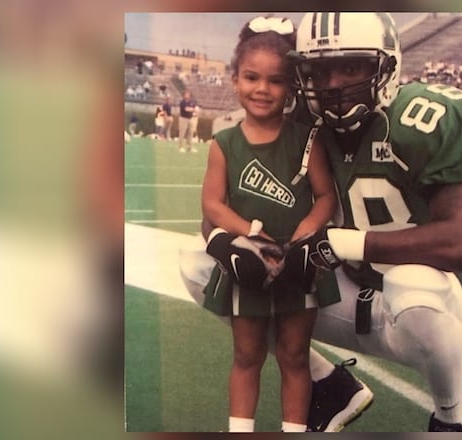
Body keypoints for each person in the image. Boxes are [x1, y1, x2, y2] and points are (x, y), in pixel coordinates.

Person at [180, 12, 462, 432]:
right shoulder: (302, 127)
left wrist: (339, 244)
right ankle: (328, 385)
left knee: (414, 286)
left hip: (433, 308)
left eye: (351, 68)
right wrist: (232, 244)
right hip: (345, 291)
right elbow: (217, 210)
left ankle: (451, 418)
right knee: (201, 264)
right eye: (321, 71)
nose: (333, 85)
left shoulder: (419, 118)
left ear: (386, 65)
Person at [199, 15, 338, 433]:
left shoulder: (306, 139)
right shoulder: (224, 143)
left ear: (291, 86)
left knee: (295, 356)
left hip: (298, 264)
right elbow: (211, 203)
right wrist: (250, 235)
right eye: (252, 77)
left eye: (276, 81)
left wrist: (305, 232)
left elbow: (326, 197)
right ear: (235, 80)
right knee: (247, 355)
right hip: (249, 264)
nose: (263, 89)